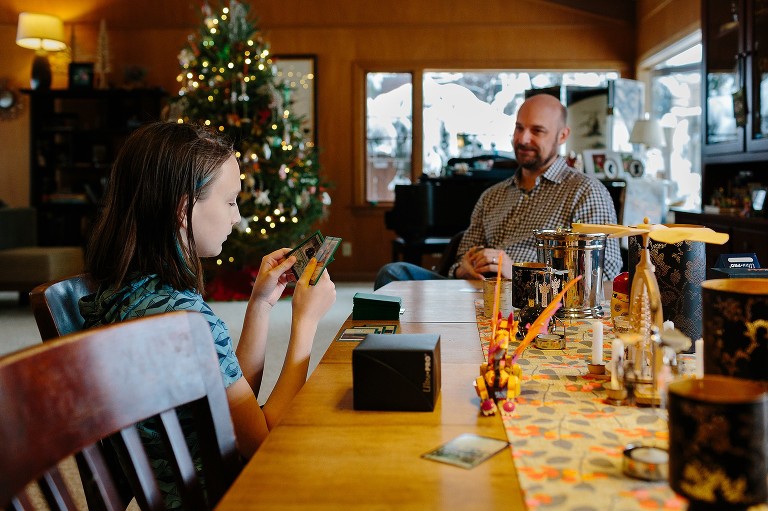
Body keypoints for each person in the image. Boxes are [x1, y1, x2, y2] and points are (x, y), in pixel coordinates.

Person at [79, 121, 336, 507]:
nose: (237, 217)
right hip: (225, 495)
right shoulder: (181, 319)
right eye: (231, 201)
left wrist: (261, 304)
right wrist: (306, 323)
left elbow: (229, 398)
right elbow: (264, 442)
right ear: (184, 209)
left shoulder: (134, 294)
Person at [374, 93, 621, 290]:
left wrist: (518, 273)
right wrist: (464, 268)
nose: (523, 139)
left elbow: (605, 276)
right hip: (474, 290)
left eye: (537, 131)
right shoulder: (493, 195)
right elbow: (462, 255)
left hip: (533, 300)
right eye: (519, 128)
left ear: (563, 135)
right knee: (392, 274)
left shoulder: (586, 192)